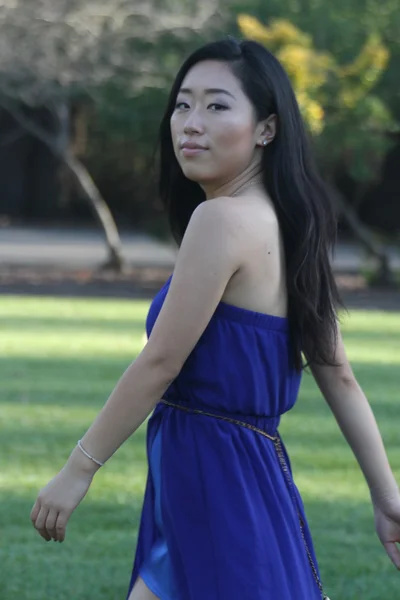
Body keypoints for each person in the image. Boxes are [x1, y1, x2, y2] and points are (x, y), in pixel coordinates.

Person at [30, 38, 400, 600]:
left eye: (217, 105)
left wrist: (78, 470)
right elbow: (339, 375)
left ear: (266, 129)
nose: (190, 123)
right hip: (242, 476)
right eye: (182, 104)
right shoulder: (289, 225)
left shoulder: (220, 221)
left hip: (216, 479)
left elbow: (160, 362)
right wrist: (387, 497)